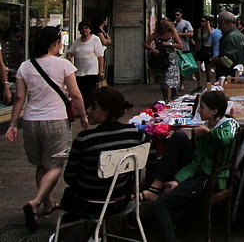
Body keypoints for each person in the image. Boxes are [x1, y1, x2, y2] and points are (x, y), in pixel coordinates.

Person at [4, 26, 88, 232]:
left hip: (31, 121)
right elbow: (75, 94)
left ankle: (48, 204)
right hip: (55, 120)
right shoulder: (63, 65)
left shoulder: (25, 66)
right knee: (56, 164)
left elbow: (20, 98)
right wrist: (84, 115)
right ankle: (36, 202)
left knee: (41, 164)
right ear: (55, 43)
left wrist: (13, 124)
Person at [146, 91, 239, 242]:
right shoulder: (206, 125)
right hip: (200, 173)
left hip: (210, 179)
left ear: (214, 111)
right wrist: (178, 179)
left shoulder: (230, 124)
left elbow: (224, 139)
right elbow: (196, 162)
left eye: (202, 107)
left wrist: (207, 133)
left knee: (160, 206)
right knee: (179, 136)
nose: (199, 111)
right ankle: (156, 187)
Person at [61, 87, 147, 219]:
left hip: (88, 204)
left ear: (106, 112)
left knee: (68, 196)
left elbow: (69, 176)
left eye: (93, 107)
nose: (88, 110)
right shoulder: (135, 134)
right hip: (120, 202)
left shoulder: (84, 139)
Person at [66, 20, 106, 110]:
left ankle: (89, 109)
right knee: (81, 92)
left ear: (90, 29)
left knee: (90, 92)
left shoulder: (95, 40)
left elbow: (100, 56)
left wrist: (101, 70)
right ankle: (83, 109)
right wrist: (68, 56)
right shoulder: (77, 42)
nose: (84, 30)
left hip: (91, 72)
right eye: (82, 28)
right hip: (79, 72)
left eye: (86, 28)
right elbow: (71, 52)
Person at [143, 19, 182, 101]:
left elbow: (180, 46)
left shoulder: (172, 33)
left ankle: (168, 100)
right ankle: (165, 99)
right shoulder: (156, 34)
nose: (163, 31)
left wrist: (169, 44)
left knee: (169, 81)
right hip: (160, 59)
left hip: (171, 59)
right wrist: (153, 49)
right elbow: (146, 44)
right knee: (163, 81)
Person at [209, 11, 244, 80]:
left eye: (219, 25)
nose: (219, 28)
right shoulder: (240, 35)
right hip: (242, 75)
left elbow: (227, 62)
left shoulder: (229, 37)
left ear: (223, 23)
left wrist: (215, 59)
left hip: (230, 77)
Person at [173, 8, 194, 92]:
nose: (176, 16)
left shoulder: (186, 23)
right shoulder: (173, 24)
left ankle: (182, 83)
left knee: (183, 66)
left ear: (181, 14)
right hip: (174, 48)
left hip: (184, 47)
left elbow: (191, 33)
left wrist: (179, 34)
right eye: (175, 15)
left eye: (178, 15)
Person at [193, 15, 215, 88]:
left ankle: (209, 84)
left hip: (207, 50)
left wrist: (208, 26)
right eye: (201, 21)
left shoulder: (211, 29)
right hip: (199, 50)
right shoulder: (199, 30)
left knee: (208, 69)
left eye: (203, 21)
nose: (202, 23)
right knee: (197, 67)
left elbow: (212, 36)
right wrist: (195, 50)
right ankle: (199, 84)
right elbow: (197, 40)